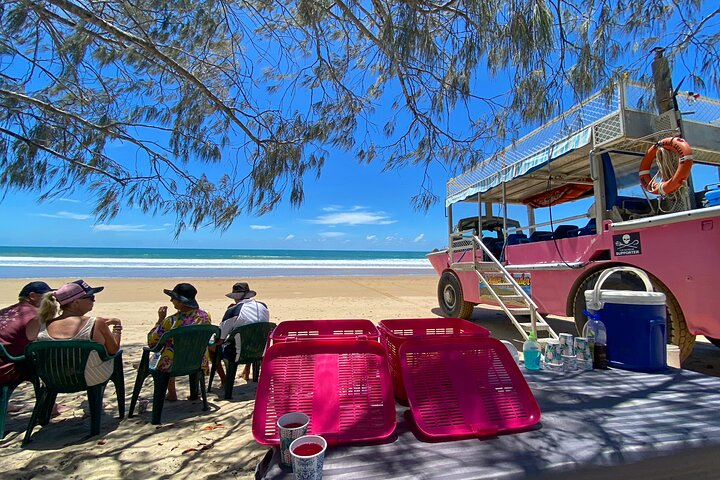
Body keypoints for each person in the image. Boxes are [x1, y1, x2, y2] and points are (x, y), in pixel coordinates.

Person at [36, 280, 122, 386]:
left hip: (52, 378)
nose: (94, 300)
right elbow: (113, 350)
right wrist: (117, 326)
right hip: (89, 378)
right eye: (90, 297)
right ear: (75, 303)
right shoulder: (96, 323)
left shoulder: (44, 324)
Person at [147, 283, 211, 401]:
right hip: (198, 360)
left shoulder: (171, 321)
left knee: (166, 352)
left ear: (181, 301)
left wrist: (160, 320)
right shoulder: (205, 316)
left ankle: (172, 393)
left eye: (173, 298)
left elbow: (152, 342)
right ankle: (193, 392)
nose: (171, 300)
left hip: (174, 363)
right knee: (172, 349)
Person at [0, 282, 55, 390]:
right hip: (6, 369)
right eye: (48, 297)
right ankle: (50, 404)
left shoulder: (4, 311)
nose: (51, 300)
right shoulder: (35, 316)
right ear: (32, 296)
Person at [219, 282, 270, 381]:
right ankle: (247, 371)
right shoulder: (263, 306)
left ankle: (225, 380)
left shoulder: (233, 311)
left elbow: (221, 338)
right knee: (250, 335)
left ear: (235, 296)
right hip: (260, 350)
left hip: (239, 353)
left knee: (214, 348)